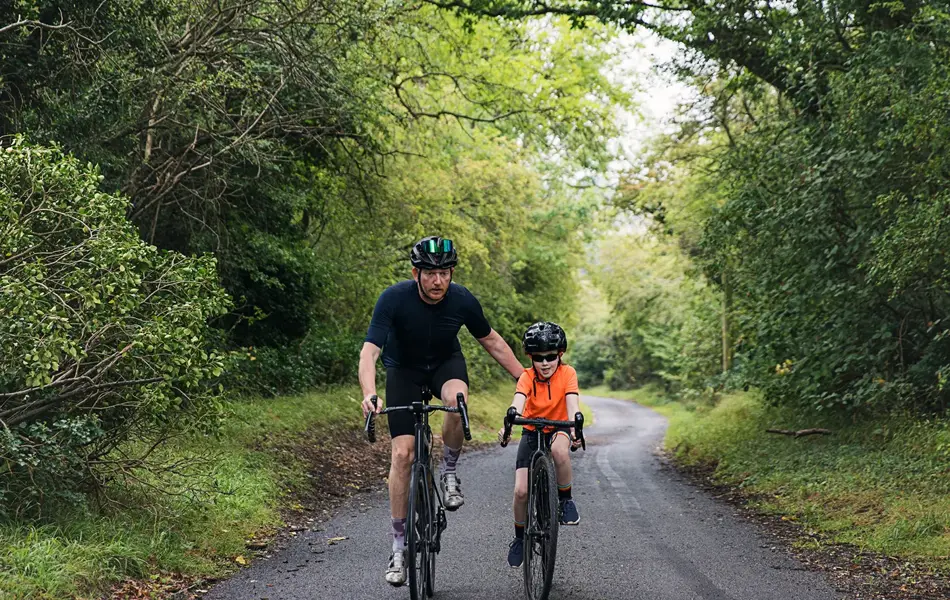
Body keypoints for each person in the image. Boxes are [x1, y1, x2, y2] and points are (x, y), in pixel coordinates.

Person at [359, 236, 524, 586]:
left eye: (445, 273)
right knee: (402, 455)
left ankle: (449, 471)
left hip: (445, 366)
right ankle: (399, 547)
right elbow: (370, 351)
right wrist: (370, 394)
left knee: (456, 400)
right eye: (431, 274)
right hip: (403, 371)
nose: (438, 282)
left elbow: (492, 341)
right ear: (416, 272)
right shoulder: (393, 298)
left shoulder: (462, 299)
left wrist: (526, 380)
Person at [499, 321, 582, 569]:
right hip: (531, 430)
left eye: (550, 357)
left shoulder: (568, 374)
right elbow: (518, 399)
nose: (545, 363)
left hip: (558, 428)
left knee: (558, 450)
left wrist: (576, 426)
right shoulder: (527, 376)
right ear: (530, 357)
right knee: (521, 491)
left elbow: (572, 404)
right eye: (538, 358)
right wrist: (511, 416)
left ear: (560, 355)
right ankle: (518, 537)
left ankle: (565, 499)